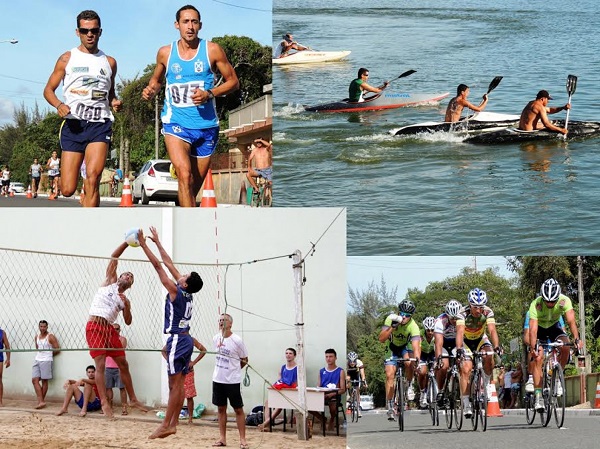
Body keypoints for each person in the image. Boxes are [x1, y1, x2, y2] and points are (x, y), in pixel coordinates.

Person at [142, 5, 239, 207]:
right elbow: (156, 81)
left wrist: (209, 93)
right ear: (177, 25)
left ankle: (182, 214)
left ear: (200, 25)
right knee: (184, 175)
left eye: (194, 22)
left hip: (206, 126)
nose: (190, 26)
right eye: (185, 22)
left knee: (192, 187)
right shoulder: (165, 53)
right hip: (175, 123)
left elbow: (233, 82)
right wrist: (151, 90)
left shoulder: (212, 50)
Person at [43, 10, 122, 207]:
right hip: (73, 125)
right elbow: (48, 90)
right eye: (85, 30)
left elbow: (110, 93)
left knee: (93, 178)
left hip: (99, 125)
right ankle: (80, 190)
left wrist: (114, 101)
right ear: (77, 32)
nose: (90, 34)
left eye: (94, 30)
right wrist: (59, 105)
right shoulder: (67, 58)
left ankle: (91, 228)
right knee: (68, 189)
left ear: (100, 32)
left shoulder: (109, 62)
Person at [138, 226, 204, 438]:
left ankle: (167, 424)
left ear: (185, 283)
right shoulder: (186, 291)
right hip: (185, 340)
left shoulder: (176, 291)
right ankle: (173, 422)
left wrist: (143, 245)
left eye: (184, 275)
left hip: (178, 339)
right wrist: (157, 242)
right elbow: (168, 263)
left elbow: (159, 267)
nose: (181, 273)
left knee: (174, 385)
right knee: (178, 383)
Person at [86, 240, 149, 418]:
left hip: (109, 330)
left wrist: (127, 306)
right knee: (100, 365)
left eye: (131, 277)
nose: (127, 276)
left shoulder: (123, 300)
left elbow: (128, 322)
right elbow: (114, 257)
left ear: (131, 285)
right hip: (95, 326)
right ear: (119, 277)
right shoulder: (109, 282)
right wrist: (127, 243)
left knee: (124, 364)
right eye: (126, 274)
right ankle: (105, 403)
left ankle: (133, 399)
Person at [528, 278, 582, 412]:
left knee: (565, 346)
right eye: (547, 301)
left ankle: (557, 377)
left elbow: (571, 322)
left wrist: (577, 339)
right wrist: (533, 346)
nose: (550, 304)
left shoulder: (565, 301)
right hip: (539, 329)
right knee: (538, 357)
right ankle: (538, 396)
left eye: (553, 301)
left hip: (554, 328)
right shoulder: (536, 304)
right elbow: (533, 329)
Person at [455, 288, 502, 419]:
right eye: (475, 307)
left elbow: (492, 330)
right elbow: (459, 331)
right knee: (466, 368)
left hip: (481, 339)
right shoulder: (462, 313)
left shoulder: (487, 312)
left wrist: (497, 346)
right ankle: (466, 403)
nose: (478, 310)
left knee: (489, 355)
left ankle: (486, 383)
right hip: (466, 341)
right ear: (470, 305)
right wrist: (459, 349)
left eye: (480, 307)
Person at [379, 300, 421, 421]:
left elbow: (416, 346)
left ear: (411, 316)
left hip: (405, 347)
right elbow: (381, 339)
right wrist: (392, 328)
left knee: (409, 362)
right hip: (391, 347)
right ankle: (390, 405)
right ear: (398, 312)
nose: (404, 317)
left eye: (407, 315)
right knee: (389, 374)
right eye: (402, 313)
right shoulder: (390, 319)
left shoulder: (413, 326)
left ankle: (408, 384)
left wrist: (417, 360)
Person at [212, 313, 249, 449]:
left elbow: (245, 359)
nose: (222, 322)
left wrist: (235, 370)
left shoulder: (237, 340)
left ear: (230, 324)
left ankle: (243, 440)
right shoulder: (216, 338)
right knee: (221, 408)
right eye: (220, 320)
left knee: (238, 409)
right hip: (218, 379)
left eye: (224, 320)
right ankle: (222, 439)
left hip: (232, 381)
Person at [523, 310, 566, 393]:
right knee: (533, 350)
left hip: (552, 340)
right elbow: (527, 335)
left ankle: (557, 378)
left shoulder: (556, 313)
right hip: (538, 338)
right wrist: (532, 345)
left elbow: (563, 332)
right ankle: (531, 378)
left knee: (559, 352)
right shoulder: (530, 313)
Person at [258, 347, 298, 431]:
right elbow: (279, 381)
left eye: (290, 353)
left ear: (294, 355)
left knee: (280, 404)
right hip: (281, 391)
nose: (288, 355)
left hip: (292, 393)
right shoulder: (283, 367)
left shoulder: (297, 368)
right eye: (286, 353)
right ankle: (268, 425)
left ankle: (266, 423)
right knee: (267, 402)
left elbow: (297, 384)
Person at [433, 300, 463, 404]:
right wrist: (439, 358)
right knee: (443, 366)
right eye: (452, 318)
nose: (454, 320)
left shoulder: (463, 318)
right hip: (444, 344)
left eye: (456, 318)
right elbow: (438, 343)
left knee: (464, 364)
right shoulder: (440, 321)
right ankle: (441, 390)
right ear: (447, 315)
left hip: (457, 343)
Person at [310, 348, 346, 431]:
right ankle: (322, 418)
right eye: (326, 356)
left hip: (334, 395)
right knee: (308, 404)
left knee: (332, 403)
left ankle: (332, 419)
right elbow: (318, 386)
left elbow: (342, 389)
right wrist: (319, 393)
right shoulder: (321, 371)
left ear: (335, 358)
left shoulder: (340, 371)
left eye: (331, 356)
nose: (328, 358)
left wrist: (331, 394)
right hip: (322, 394)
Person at [32, 320, 60, 409]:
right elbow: (37, 348)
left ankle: (41, 402)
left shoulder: (50, 336)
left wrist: (49, 355)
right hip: (37, 359)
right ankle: (41, 401)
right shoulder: (36, 336)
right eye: (41, 326)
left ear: (47, 327)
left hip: (47, 360)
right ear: (39, 327)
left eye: (44, 326)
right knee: (34, 380)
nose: (42, 328)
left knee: (44, 381)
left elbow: (57, 349)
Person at [105, 323, 128, 415]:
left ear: (120, 330)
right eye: (113, 329)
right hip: (108, 367)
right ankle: (110, 406)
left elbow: (120, 349)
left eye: (117, 329)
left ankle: (124, 407)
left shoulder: (123, 339)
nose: (115, 330)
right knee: (108, 388)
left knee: (122, 388)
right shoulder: (106, 339)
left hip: (119, 367)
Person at [416, 316, 436, 409]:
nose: (430, 332)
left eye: (432, 330)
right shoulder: (420, 334)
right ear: (425, 329)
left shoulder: (437, 333)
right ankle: (423, 392)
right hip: (423, 353)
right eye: (428, 330)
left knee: (439, 370)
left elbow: (440, 346)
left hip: (433, 353)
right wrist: (418, 361)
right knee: (422, 372)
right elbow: (418, 347)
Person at [346, 351, 367, 418]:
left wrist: (364, 382)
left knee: (357, 389)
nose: (352, 363)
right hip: (349, 373)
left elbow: (362, 374)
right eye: (351, 361)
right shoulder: (346, 363)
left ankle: (358, 407)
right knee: (347, 380)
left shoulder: (359, 362)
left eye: (353, 361)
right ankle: (349, 395)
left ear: (356, 360)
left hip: (356, 374)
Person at [0, 327, 10, 406]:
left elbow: (7, 346)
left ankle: (0, 401)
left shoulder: (2, 333)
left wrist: (8, 359)